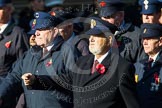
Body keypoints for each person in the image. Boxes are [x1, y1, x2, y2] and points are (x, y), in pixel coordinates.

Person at [22, 23, 140, 108]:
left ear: (109, 39)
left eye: (97, 36)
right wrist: (36, 80)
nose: (91, 40)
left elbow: (131, 103)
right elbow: (62, 80)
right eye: (90, 36)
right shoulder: (82, 61)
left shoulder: (122, 67)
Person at [0, 12, 79, 108]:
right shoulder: (30, 54)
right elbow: (14, 77)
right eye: (36, 29)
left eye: (41, 29)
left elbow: (73, 80)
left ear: (54, 31)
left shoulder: (68, 50)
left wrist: (39, 80)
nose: (36, 33)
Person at [0, 0, 29, 107]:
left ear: (9, 9)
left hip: (7, 96)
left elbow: (24, 67)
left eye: (0, 8)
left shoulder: (18, 33)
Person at [134, 23, 162, 108]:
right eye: (143, 39)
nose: (144, 42)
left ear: (160, 41)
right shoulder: (138, 65)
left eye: (149, 38)